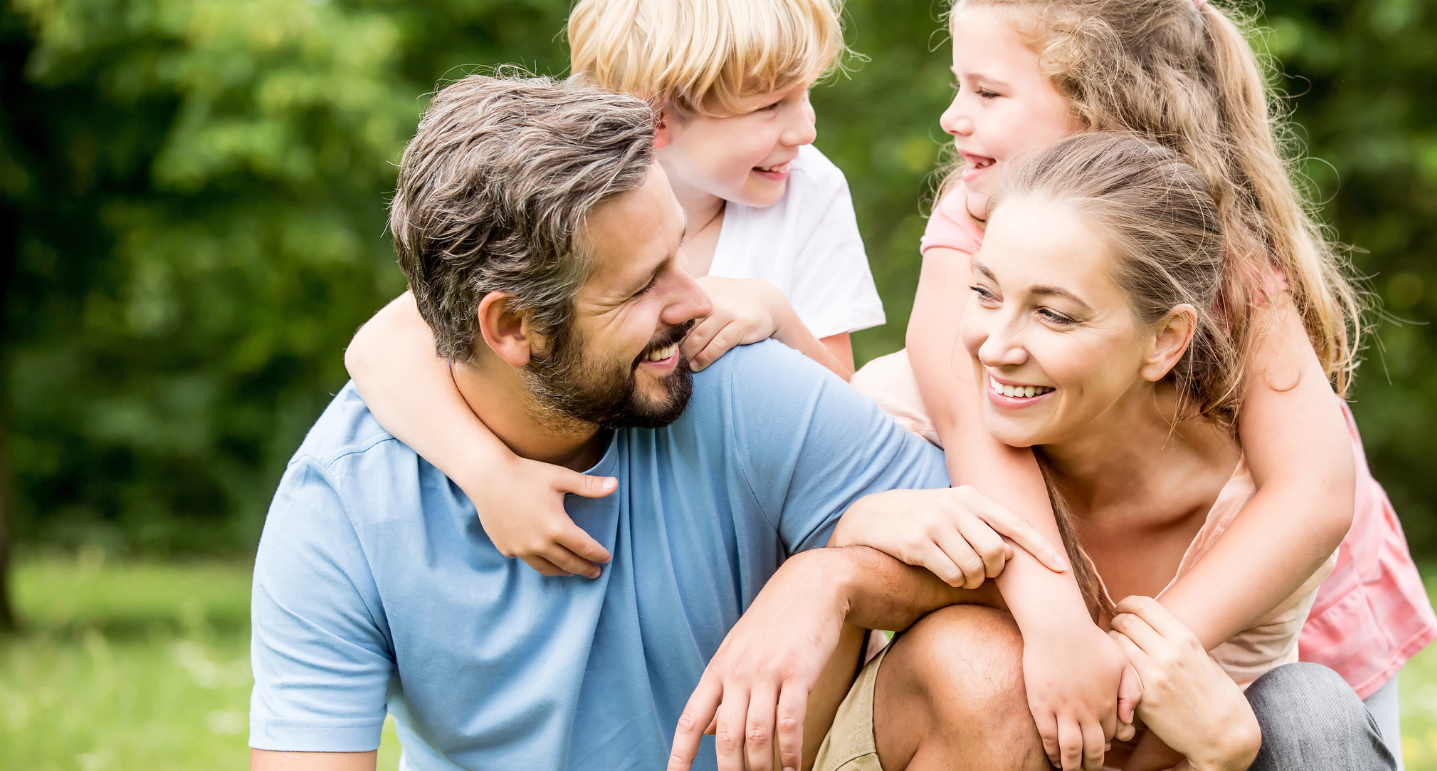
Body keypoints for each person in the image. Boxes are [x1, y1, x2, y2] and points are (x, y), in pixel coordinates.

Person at [248, 74, 1064, 771]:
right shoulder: (345, 504)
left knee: (982, 668)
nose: (697, 300)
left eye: (680, 254)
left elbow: (1009, 561)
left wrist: (832, 578)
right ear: (511, 330)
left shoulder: (733, 381)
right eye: (641, 287)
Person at [850, 0, 1437, 766]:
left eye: (988, 93)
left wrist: (1143, 661)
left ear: (1097, 101)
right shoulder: (976, 211)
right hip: (1100, 569)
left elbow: (1310, 494)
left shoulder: (1222, 241)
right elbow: (970, 413)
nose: (953, 117)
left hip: (1277, 580)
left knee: (1313, 721)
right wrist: (1057, 628)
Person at [807, 133, 1397, 771]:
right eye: (983, 293)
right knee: (977, 659)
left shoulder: (1260, 515)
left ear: (1165, 341)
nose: (995, 348)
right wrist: (851, 534)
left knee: (1313, 712)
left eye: (1054, 315)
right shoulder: (902, 418)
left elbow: (1127, 743)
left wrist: (1222, 757)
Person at [342, 0, 886, 585]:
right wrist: (490, 477)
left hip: (745, 557)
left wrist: (778, 314)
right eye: (771, 106)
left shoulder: (808, 190)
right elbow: (378, 349)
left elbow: (849, 419)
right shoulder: (561, 193)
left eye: (806, 94)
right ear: (656, 118)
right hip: (602, 536)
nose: (804, 128)